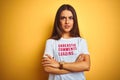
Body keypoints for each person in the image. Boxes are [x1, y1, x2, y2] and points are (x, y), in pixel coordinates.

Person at [42, 4, 90, 80]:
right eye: (63, 18)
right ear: (58, 20)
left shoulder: (81, 41)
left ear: (74, 21)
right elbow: (47, 68)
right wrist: (75, 66)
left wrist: (58, 64)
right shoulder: (50, 42)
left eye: (70, 18)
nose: (67, 22)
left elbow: (86, 66)